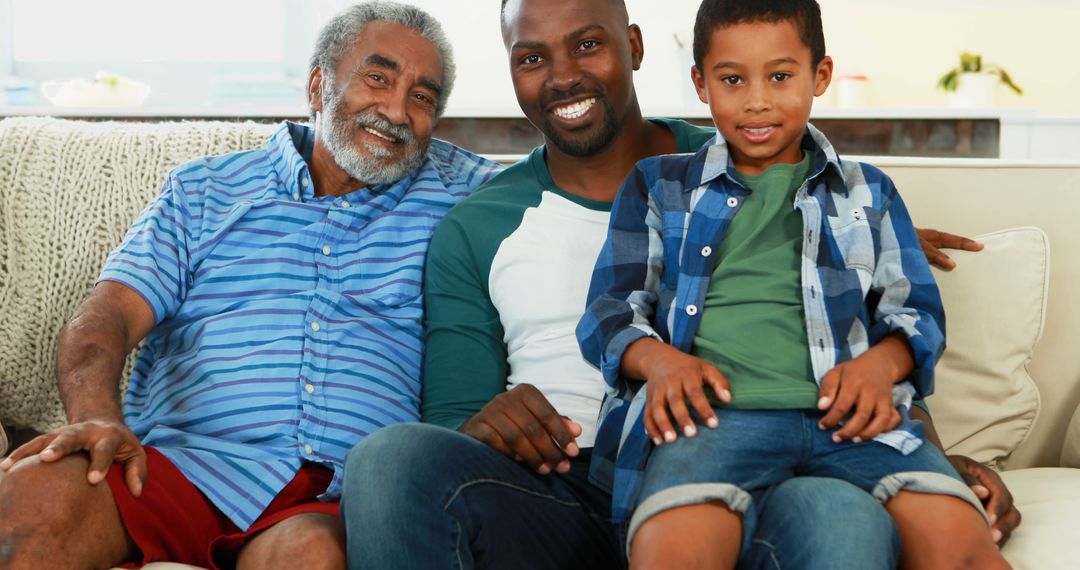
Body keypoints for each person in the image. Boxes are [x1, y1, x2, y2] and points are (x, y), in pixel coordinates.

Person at [340, 0, 1018, 568]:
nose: (563, 75)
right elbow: (455, 417)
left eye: (588, 45)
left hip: (771, 465)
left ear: (632, 46)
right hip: (573, 483)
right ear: (705, 81)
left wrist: (928, 456)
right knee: (388, 460)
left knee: (841, 514)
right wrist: (491, 425)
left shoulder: (768, 159)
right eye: (533, 57)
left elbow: (860, 299)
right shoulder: (481, 222)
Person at [0, 3, 501, 569]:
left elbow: (575, 178)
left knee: (310, 555)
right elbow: (106, 315)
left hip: (333, 492)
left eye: (422, 97)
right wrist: (98, 416)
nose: (396, 111)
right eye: (378, 78)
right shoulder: (204, 191)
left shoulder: (467, 191)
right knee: (30, 496)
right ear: (318, 85)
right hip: (182, 467)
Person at [575, 0, 1012, 568]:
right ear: (701, 84)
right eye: (732, 79)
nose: (757, 99)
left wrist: (880, 366)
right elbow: (610, 309)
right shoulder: (659, 186)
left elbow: (917, 313)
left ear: (820, 76)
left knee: (962, 545)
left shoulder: (869, 192)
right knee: (671, 549)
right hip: (710, 422)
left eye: (781, 77)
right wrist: (659, 362)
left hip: (855, 420)